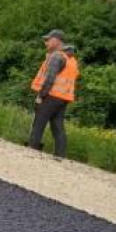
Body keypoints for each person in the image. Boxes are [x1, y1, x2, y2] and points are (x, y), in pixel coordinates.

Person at [28, 30, 79, 159]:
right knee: (57, 125)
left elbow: (50, 78)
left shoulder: (57, 56)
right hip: (63, 97)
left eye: (48, 39)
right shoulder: (70, 58)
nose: (46, 42)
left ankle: (32, 149)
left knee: (39, 122)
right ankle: (60, 155)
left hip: (51, 95)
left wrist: (41, 95)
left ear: (56, 40)